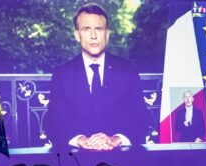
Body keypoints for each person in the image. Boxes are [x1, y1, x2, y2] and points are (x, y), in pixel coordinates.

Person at [47, 3, 148, 151]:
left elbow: (141, 121)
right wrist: (81, 140)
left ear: (107, 34)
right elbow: (53, 125)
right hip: (77, 161)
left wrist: (116, 139)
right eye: (86, 29)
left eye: (99, 29)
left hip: (120, 158)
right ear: (77, 35)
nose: (93, 36)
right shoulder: (62, 74)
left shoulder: (128, 70)